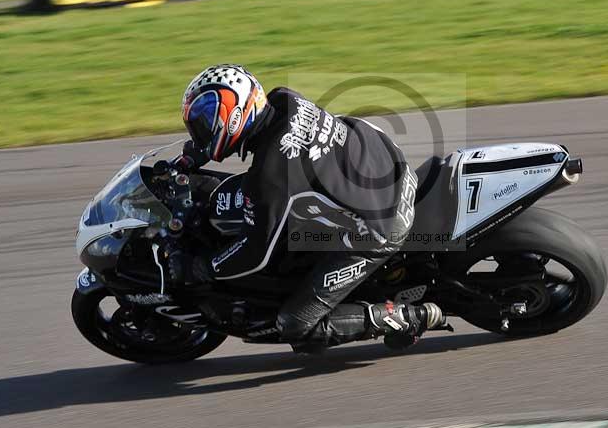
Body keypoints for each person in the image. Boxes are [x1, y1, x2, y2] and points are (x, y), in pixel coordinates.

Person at [170, 64, 445, 351]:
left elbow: (254, 254)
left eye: (204, 124)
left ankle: (407, 316)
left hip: (381, 227)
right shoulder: (282, 99)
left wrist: (202, 267)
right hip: (387, 160)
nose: (200, 132)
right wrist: (196, 154)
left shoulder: (271, 175)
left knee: (296, 323)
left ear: (235, 114)